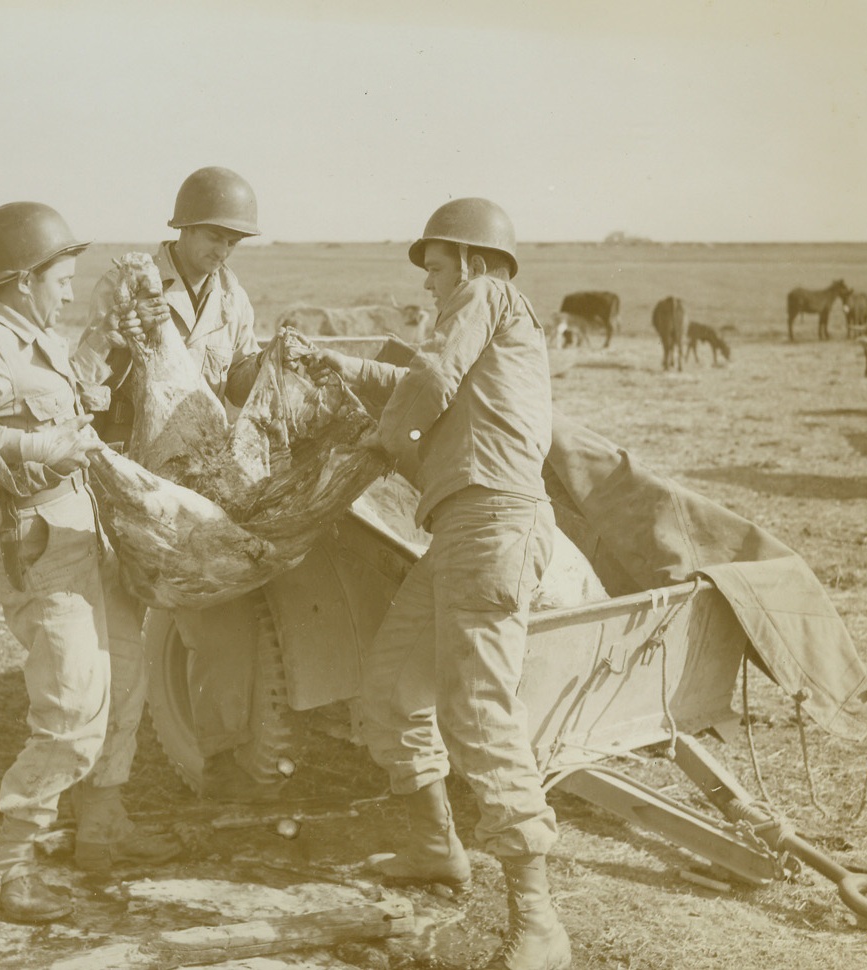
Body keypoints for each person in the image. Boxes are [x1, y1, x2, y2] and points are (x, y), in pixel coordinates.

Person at [310, 198, 572, 970]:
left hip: (493, 524)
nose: (428, 287)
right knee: (391, 686)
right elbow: (417, 378)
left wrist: (381, 445)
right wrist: (339, 369)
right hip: (462, 530)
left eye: (434, 271)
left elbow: (428, 377)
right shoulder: (488, 321)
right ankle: (436, 847)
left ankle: (540, 921)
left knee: (477, 711)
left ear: (470, 261)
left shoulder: (486, 296)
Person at [0, 201, 179, 924]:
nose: (68, 289)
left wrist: (98, 342)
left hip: (89, 537)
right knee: (70, 711)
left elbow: (65, 401)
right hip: (44, 549)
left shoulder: (38, 338)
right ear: (26, 278)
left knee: (123, 683)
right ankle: (10, 867)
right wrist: (36, 451)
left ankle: (102, 831)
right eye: (62, 277)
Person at [73, 166, 283, 802]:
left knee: (217, 618)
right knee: (111, 634)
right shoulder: (131, 282)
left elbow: (237, 373)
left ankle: (221, 768)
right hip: (124, 475)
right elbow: (93, 372)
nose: (222, 251)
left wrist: (277, 364)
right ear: (184, 226)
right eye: (214, 236)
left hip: (190, 482)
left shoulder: (231, 296)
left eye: (233, 241)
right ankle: (91, 784)